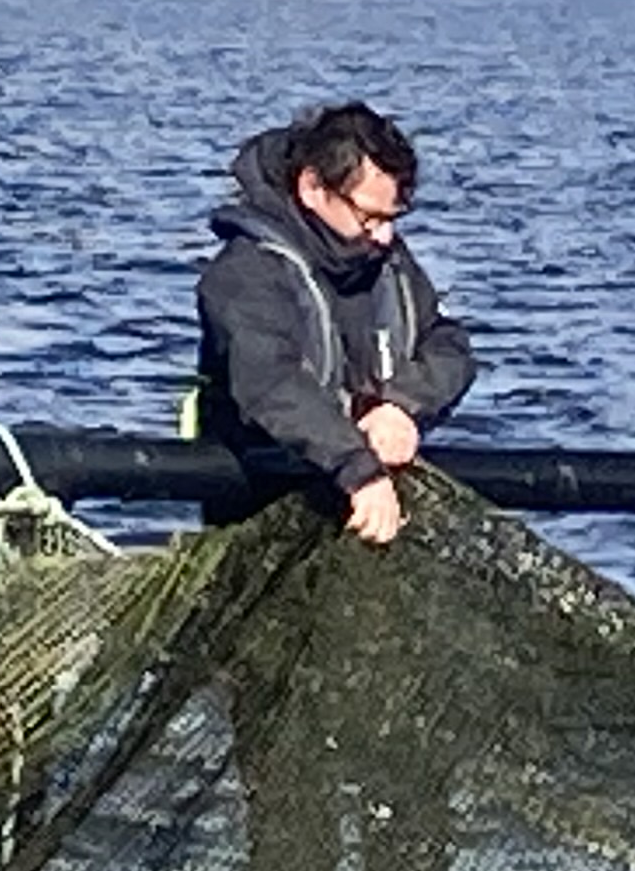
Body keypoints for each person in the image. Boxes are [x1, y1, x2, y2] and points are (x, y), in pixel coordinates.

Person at [195, 100, 475, 544]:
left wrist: (403, 406)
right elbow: (270, 382)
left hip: (379, 513)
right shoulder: (244, 274)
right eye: (370, 218)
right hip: (262, 516)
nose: (383, 237)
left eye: (393, 220)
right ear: (312, 187)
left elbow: (449, 346)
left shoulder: (389, 263)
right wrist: (357, 467)